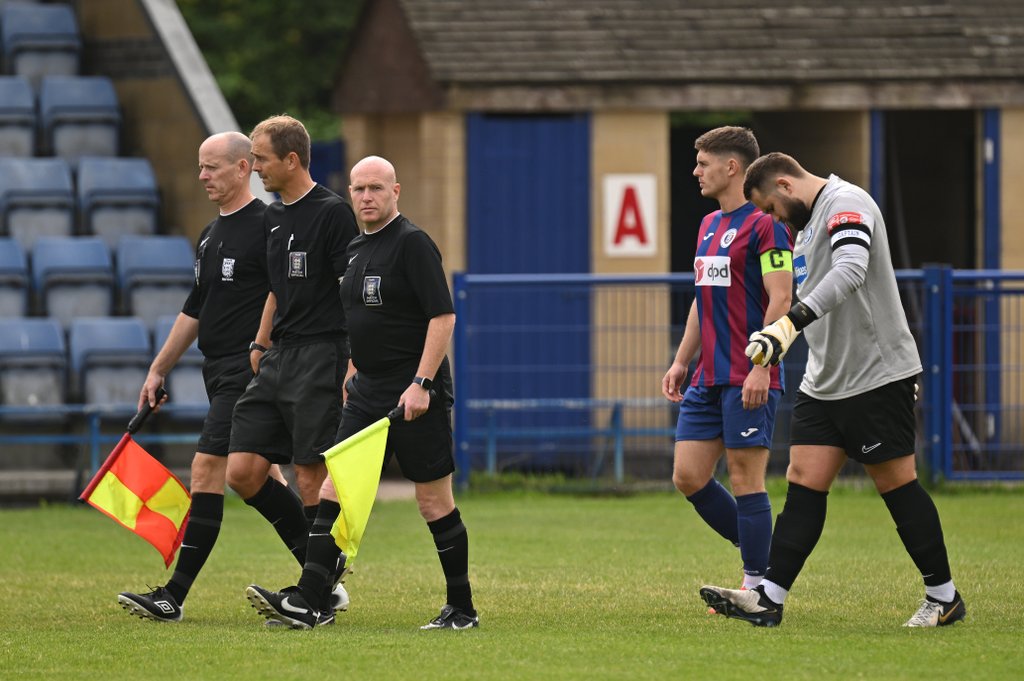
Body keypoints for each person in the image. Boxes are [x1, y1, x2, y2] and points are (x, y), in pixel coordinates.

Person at [699, 152, 965, 628]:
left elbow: (850, 270)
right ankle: (769, 599)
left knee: (895, 484)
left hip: (876, 376)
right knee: (802, 481)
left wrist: (787, 324)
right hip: (824, 381)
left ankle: (943, 597)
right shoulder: (804, 226)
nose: (773, 219)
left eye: (771, 208)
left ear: (784, 184)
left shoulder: (847, 204)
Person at [244, 155, 478, 631]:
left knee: (433, 501)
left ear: (396, 191)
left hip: (415, 392)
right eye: (358, 189)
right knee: (335, 489)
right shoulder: (354, 248)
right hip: (368, 391)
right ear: (349, 193)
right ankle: (311, 601)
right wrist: (353, 368)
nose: (366, 197)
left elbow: (443, 317)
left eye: (375, 188)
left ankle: (462, 608)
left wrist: (421, 383)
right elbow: (360, 319)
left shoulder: (412, 244)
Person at [117, 131, 291, 621]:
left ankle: (173, 595)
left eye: (212, 167)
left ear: (243, 169)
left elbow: (289, 297)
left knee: (207, 470)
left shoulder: (270, 224)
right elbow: (195, 308)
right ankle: (322, 574)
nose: (202, 177)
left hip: (249, 370)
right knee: (256, 477)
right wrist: (158, 368)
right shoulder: (211, 234)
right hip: (217, 370)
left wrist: (267, 352)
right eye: (199, 167)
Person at [224, 115, 359, 618]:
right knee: (243, 471)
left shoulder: (333, 213)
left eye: (260, 159)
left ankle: (313, 594)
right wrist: (260, 344)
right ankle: (321, 576)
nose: (254, 167)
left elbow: (351, 293)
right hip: (278, 356)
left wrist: (353, 363)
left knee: (309, 474)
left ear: (292, 159)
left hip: (323, 354)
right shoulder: (273, 217)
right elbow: (277, 289)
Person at [661, 127, 792, 598]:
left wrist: (763, 364)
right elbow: (703, 298)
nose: (695, 171)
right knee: (689, 476)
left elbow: (782, 297)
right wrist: (681, 361)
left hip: (748, 374)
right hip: (708, 376)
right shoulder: (707, 225)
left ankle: (757, 586)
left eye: (703, 163)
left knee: (744, 477)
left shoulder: (766, 224)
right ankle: (766, 552)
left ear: (731, 166)